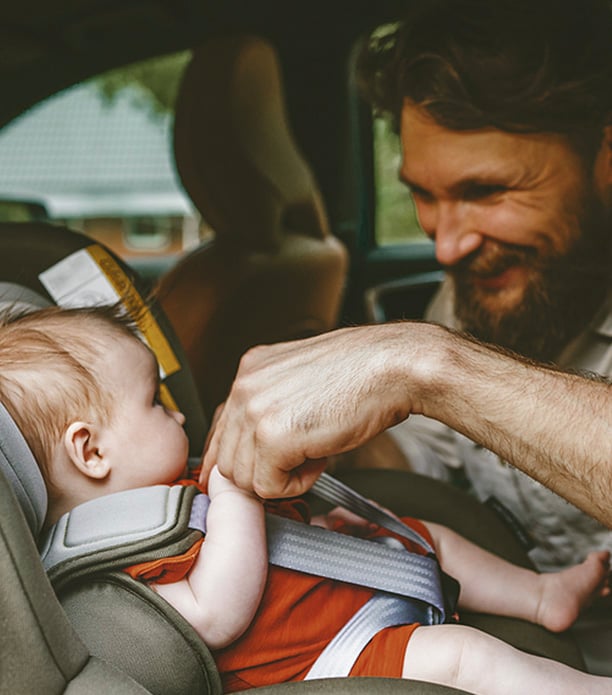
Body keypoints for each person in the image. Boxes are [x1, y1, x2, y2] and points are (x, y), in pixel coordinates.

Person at [1, 305, 611, 694]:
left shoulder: (164, 495)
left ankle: (540, 597)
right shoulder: (106, 572)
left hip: (336, 586)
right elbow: (218, 612)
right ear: (91, 452)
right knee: (465, 657)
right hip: (333, 650)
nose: (178, 410)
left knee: (430, 534)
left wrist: (312, 520)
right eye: (154, 403)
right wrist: (235, 490)